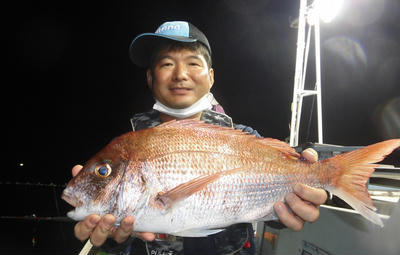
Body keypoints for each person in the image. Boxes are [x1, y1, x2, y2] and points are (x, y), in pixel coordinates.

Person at [71, 21, 327, 255]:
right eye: (166, 64)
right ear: (150, 77)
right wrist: (113, 239)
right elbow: (119, 237)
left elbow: (265, 201)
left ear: (211, 77)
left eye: (193, 63)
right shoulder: (130, 141)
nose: (180, 74)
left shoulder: (246, 138)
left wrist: (296, 201)